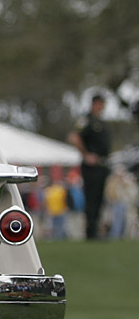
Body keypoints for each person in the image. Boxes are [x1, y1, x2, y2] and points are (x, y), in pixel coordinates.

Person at [68, 94, 112, 240]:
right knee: (91, 198)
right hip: (91, 167)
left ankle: (96, 230)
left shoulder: (101, 121)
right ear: (94, 104)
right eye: (100, 103)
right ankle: (90, 232)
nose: (102, 107)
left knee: (99, 198)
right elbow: (74, 137)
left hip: (102, 165)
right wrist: (86, 154)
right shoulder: (87, 119)